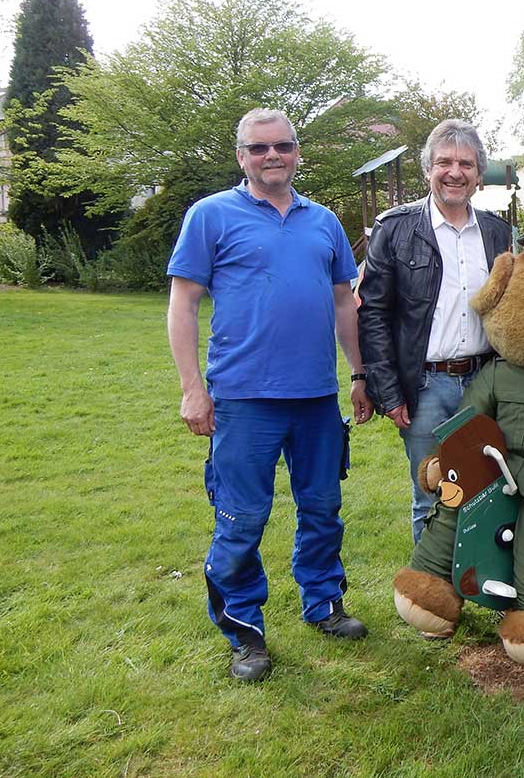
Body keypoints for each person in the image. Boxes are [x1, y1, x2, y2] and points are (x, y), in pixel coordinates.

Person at [166, 108, 373, 683]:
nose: (272, 156)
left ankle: (324, 605)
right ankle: (245, 633)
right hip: (242, 399)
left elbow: (342, 304)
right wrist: (192, 389)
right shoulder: (210, 216)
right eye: (259, 149)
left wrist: (359, 374)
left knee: (323, 510)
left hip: (315, 399)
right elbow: (183, 304)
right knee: (241, 518)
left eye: (282, 146)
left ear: (297, 152)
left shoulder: (324, 222)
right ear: (242, 156)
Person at [357, 119, 512, 544]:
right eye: (444, 161)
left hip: (486, 381)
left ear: (479, 175)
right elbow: (373, 315)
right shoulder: (397, 228)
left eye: (466, 163)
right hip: (424, 386)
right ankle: (432, 597)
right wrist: (387, 392)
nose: (455, 172)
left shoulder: (498, 233)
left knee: (488, 486)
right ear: (428, 170)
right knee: (431, 491)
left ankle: (481, 583)